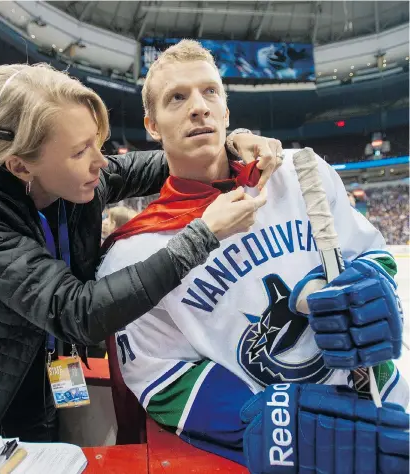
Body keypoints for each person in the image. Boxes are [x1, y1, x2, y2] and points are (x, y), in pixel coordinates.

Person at [97, 40, 409, 473]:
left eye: (210, 93)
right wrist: (267, 422)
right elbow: (160, 375)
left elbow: (371, 252)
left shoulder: (302, 172)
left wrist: (369, 287)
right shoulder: (132, 255)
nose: (199, 107)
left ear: (226, 112)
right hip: (285, 453)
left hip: (386, 408)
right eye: (177, 97)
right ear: (152, 125)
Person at [0, 62, 284, 440]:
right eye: (79, 152)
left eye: (97, 143)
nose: (102, 162)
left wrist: (229, 142)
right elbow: (75, 310)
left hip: (46, 386)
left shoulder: (77, 178)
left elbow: (171, 160)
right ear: (21, 166)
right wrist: (201, 236)